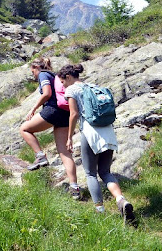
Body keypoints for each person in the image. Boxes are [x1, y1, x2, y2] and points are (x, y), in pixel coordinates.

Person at [58, 63, 136, 224]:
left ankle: (100, 212)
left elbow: (74, 114)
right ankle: (121, 200)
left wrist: (70, 137)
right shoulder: (93, 86)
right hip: (107, 130)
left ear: (68, 77)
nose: (63, 85)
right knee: (106, 171)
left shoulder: (72, 89)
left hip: (90, 131)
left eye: (62, 81)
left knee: (90, 173)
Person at [20, 57, 80, 200]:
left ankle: (40, 156)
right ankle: (74, 188)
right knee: (65, 153)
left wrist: (33, 109)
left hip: (52, 110)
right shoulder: (54, 76)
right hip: (65, 114)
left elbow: (47, 93)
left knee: (24, 129)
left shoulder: (43, 74)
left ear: (36, 67)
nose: (33, 75)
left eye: (32, 71)